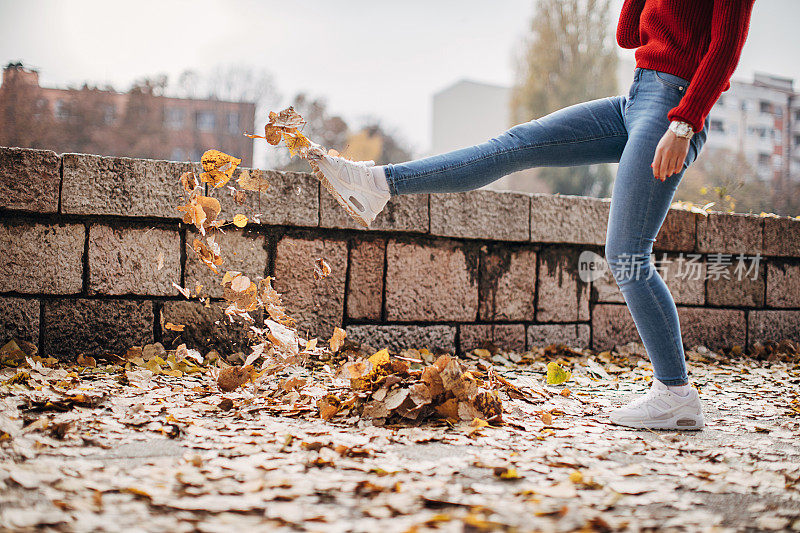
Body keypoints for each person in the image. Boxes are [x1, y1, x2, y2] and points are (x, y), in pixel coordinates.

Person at [314, 0, 756, 430]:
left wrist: (684, 123)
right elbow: (628, 35)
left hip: (672, 110)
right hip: (636, 97)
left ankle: (676, 395)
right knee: (512, 146)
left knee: (626, 254)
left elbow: (725, 50)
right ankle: (379, 185)